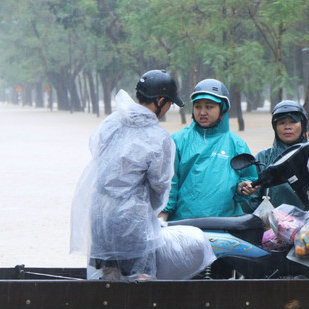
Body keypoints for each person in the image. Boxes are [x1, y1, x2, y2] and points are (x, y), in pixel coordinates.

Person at [70, 70, 213, 281]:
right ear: (160, 101)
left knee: (107, 280)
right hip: (132, 222)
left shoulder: (111, 121)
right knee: (140, 281)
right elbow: (160, 186)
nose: (167, 109)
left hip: (99, 214)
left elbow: (96, 150)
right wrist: (147, 214)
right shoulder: (159, 137)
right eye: (169, 104)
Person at [159, 78, 257, 221]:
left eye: (209, 106)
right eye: (198, 106)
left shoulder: (238, 144)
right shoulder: (177, 141)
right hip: (184, 225)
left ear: (222, 108)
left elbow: (249, 179)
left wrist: (243, 188)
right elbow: (168, 186)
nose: (202, 112)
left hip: (226, 225)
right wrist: (161, 222)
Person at [240, 99, 309, 209]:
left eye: (293, 121)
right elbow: (252, 204)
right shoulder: (263, 157)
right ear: (275, 127)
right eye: (282, 122)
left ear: (303, 125)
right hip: (273, 225)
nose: (287, 127)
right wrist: (245, 193)